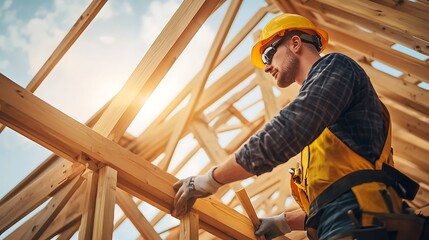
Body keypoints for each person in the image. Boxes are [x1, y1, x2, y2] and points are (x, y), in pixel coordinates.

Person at [172, 14, 421, 240]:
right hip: (357, 220)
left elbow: (287, 130)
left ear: (294, 43)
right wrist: (286, 221)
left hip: (362, 224)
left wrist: (212, 179)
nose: (267, 66)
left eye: (269, 54)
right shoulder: (328, 125)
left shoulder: (336, 67)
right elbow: (341, 192)